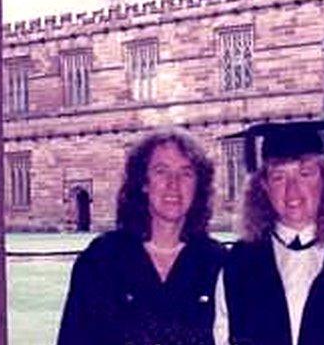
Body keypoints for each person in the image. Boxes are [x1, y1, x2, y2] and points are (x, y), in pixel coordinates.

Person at [57, 128, 226, 345]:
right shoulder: (102, 259)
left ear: (198, 186)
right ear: (144, 182)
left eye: (186, 173)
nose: (173, 184)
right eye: (161, 171)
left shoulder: (217, 262)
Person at [213, 121, 324, 345]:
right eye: (279, 177)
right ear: (264, 187)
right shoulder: (239, 263)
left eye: (305, 174)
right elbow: (222, 337)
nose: (292, 191)